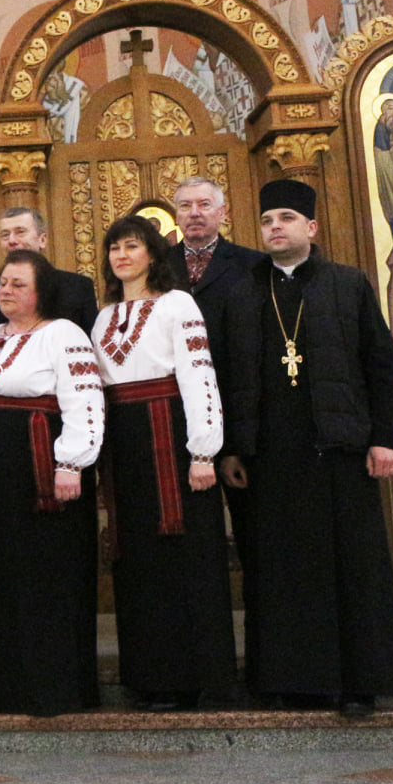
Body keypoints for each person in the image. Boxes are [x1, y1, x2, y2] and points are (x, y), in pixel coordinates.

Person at [221, 178, 393, 716]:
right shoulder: (242, 292)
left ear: (311, 227)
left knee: (350, 567)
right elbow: (232, 377)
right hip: (271, 456)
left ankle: (358, 684)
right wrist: (233, 448)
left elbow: (381, 367)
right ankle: (290, 680)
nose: (274, 228)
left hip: (340, 450)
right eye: (266, 220)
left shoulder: (347, 285)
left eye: (284, 218)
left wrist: (384, 438)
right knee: (282, 570)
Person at [93, 215, 234, 711]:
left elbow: (199, 375)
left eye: (132, 246)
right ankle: (149, 677)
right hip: (125, 444)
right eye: (114, 248)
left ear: (153, 253)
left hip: (170, 435)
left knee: (183, 557)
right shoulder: (104, 315)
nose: (122, 256)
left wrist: (202, 451)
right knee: (137, 560)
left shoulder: (178, 304)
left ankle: (197, 677)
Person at [0, 250, 104, 716]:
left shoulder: (64, 333)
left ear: (41, 291)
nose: (6, 290)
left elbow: (84, 398)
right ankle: (2, 686)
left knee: (44, 576)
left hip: (41, 470)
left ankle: (52, 688)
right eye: (3, 282)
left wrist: (71, 463)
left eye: (18, 284)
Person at [163, 176, 266, 566]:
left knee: (253, 525)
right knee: (191, 527)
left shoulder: (251, 264)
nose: (194, 213)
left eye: (204, 205)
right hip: (178, 410)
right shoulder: (159, 267)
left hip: (239, 402)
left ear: (223, 212)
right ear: (176, 214)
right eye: (186, 206)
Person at [0, 207, 98, 332]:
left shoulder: (77, 287)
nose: (12, 240)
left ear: (42, 240)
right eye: (5, 235)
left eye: (20, 232)